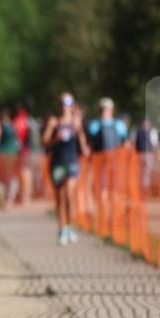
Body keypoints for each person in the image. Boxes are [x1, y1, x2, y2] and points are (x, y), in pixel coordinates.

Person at [43, 92, 91, 246]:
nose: (65, 107)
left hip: (72, 161)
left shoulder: (76, 123)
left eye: (68, 104)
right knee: (60, 197)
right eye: (63, 104)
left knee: (69, 193)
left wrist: (84, 146)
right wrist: (56, 137)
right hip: (57, 163)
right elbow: (45, 142)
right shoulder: (54, 122)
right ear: (60, 106)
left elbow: (83, 143)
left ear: (72, 106)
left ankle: (69, 225)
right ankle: (62, 228)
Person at [86, 97, 129, 232]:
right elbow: (90, 143)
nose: (106, 111)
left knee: (115, 191)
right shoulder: (94, 125)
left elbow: (125, 142)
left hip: (116, 163)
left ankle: (115, 218)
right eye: (104, 109)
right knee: (102, 191)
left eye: (108, 109)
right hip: (100, 164)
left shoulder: (119, 125)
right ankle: (104, 217)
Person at [0, 109, 20, 208]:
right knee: (10, 177)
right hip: (11, 153)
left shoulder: (5, 128)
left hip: (6, 154)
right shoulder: (13, 127)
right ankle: (9, 198)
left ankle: (9, 199)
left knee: (8, 177)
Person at [133, 117, 159, 192]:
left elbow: (154, 144)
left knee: (146, 172)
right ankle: (138, 187)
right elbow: (134, 143)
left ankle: (144, 188)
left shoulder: (152, 131)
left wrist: (154, 154)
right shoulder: (137, 131)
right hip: (139, 154)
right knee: (139, 172)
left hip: (148, 154)